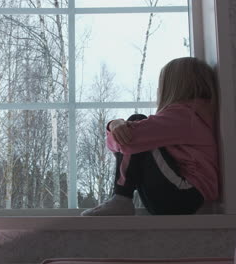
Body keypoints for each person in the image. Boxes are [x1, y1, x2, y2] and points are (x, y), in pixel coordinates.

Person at [81, 57, 219, 216]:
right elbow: (123, 141)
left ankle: (121, 198)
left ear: (171, 86)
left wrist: (114, 126)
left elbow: (127, 141)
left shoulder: (185, 116)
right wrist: (114, 127)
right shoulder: (197, 115)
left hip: (183, 194)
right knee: (133, 132)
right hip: (183, 197)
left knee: (136, 121)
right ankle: (121, 200)